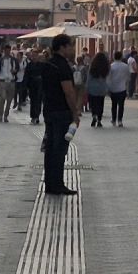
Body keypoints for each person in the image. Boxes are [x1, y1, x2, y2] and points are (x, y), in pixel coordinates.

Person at [41, 35, 81, 195]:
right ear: (63, 47)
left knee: (50, 148)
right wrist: (75, 112)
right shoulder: (62, 66)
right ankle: (57, 183)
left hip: (49, 109)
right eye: (70, 46)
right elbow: (68, 91)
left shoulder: (48, 64)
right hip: (61, 111)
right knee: (59, 149)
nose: (72, 49)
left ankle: (50, 183)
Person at [106, 51, 131, 127]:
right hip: (122, 88)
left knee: (113, 105)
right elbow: (128, 78)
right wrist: (127, 88)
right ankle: (120, 120)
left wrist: (108, 88)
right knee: (121, 105)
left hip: (113, 88)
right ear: (121, 57)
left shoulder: (111, 66)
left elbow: (108, 78)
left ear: (114, 57)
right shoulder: (125, 66)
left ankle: (113, 120)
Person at [87, 51, 111, 128]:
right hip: (102, 88)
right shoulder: (106, 67)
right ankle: (99, 120)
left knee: (93, 104)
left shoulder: (92, 66)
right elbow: (108, 77)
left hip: (92, 88)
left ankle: (94, 116)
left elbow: (89, 78)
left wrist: (87, 87)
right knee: (100, 104)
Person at [0, 46, 18, 122]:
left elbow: (17, 69)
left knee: (9, 100)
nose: (7, 52)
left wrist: (15, 71)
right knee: (2, 99)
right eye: (6, 51)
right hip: (3, 81)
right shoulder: (0, 60)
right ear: (4, 51)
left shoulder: (14, 60)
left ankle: (6, 115)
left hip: (11, 81)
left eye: (9, 51)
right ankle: (0, 115)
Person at [26, 47, 46, 124]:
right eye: (32, 55)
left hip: (40, 85)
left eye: (35, 55)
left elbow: (44, 75)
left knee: (38, 101)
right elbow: (27, 76)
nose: (34, 57)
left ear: (37, 56)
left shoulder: (41, 65)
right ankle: (33, 116)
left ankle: (37, 116)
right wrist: (27, 86)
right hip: (32, 85)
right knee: (33, 101)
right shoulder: (29, 65)